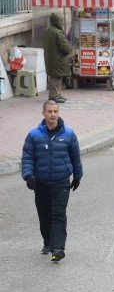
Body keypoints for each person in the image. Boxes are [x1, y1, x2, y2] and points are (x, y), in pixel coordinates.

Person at [21, 100, 82, 262]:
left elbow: (76, 157)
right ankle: (47, 242)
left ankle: (58, 248)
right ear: (43, 113)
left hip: (61, 182)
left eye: (56, 111)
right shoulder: (34, 135)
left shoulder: (68, 134)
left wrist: (77, 176)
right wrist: (28, 175)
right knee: (44, 215)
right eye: (50, 111)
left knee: (58, 214)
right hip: (40, 183)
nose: (53, 114)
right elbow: (27, 157)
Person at [40, 12, 72, 103]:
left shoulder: (49, 30)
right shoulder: (57, 32)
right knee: (56, 77)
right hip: (57, 58)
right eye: (61, 20)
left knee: (58, 76)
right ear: (57, 21)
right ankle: (54, 95)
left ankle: (57, 94)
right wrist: (69, 49)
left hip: (52, 57)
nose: (61, 22)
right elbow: (64, 47)